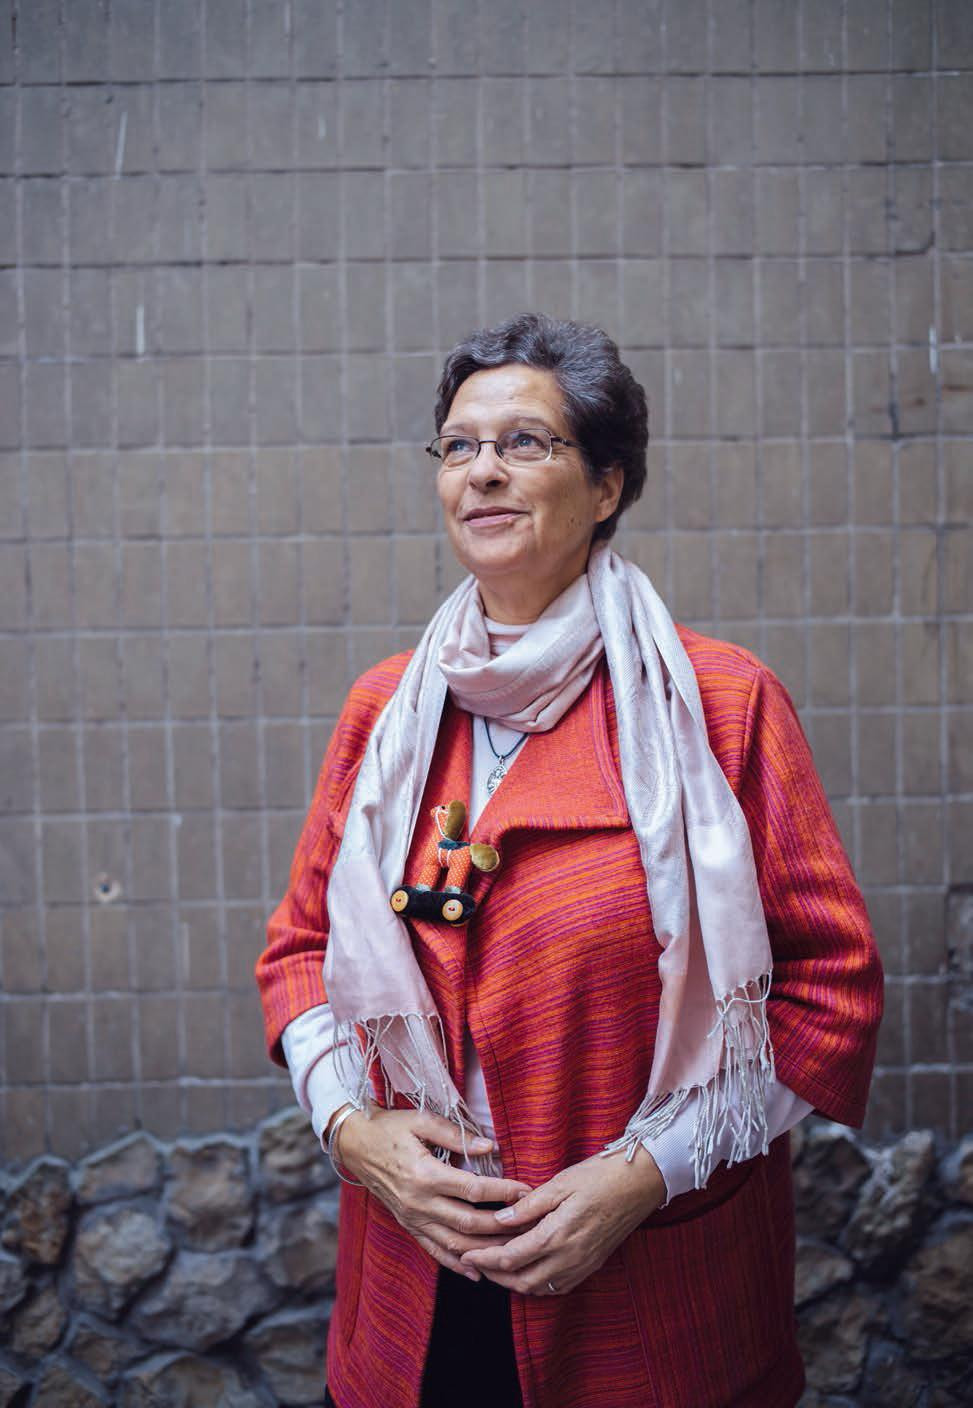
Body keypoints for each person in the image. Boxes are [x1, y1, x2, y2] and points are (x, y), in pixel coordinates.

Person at [256, 313, 883, 1408]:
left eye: (524, 442)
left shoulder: (718, 706)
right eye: (458, 446)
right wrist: (356, 1132)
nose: (482, 472)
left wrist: (645, 1174)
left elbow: (829, 993)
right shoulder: (388, 712)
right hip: (418, 1271)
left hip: (647, 1281)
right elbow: (300, 951)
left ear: (605, 486)